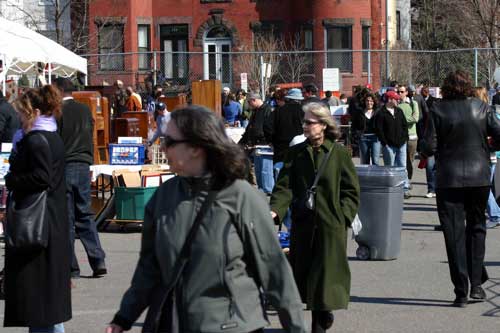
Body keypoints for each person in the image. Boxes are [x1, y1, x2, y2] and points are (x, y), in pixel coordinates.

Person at [106, 105, 306, 333]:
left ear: (195, 147)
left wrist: (296, 327)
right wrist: (123, 318)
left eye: (170, 141)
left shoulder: (241, 197)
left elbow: (275, 272)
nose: (163, 146)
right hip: (172, 323)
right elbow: (148, 269)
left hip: (231, 325)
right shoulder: (163, 197)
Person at [270, 102, 360, 332]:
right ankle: (323, 312)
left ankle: (319, 321)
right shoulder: (296, 152)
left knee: (325, 277)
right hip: (303, 225)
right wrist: (276, 210)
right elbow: (284, 187)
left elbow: (351, 190)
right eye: (304, 122)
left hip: (331, 226)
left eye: (309, 122)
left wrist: (344, 217)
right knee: (307, 275)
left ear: (323, 125)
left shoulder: (339, 154)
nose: (305, 126)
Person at [421, 70, 500, 307]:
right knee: (477, 229)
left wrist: (430, 150)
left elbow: (429, 145)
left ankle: (460, 291)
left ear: (446, 87)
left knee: (453, 234)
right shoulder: (481, 107)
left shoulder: (438, 109)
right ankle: (476, 285)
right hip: (479, 176)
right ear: (468, 86)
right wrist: (487, 148)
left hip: (449, 178)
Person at [4, 85, 71, 332]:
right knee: (45, 300)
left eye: (22, 113)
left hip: (38, 223)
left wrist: (12, 180)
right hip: (51, 221)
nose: (19, 118)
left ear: (32, 112)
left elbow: (41, 178)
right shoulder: (51, 136)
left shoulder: (36, 140)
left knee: (39, 297)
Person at [54, 78, 107, 279]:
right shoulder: (85, 110)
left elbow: (55, 140)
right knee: (85, 212)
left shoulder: (57, 112)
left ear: (59, 91)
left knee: (67, 217)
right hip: (83, 163)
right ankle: (98, 259)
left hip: (65, 165)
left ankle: (71, 266)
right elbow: (90, 132)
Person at [375, 90, 410, 197]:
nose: (398, 101)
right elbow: (379, 129)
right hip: (389, 145)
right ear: (390, 99)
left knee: (402, 167)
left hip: (401, 144)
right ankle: (391, 188)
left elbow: (404, 126)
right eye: (396, 99)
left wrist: (405, 138)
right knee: (390, 168)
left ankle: (405, 188)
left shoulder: (399, 111)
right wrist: (385, 143)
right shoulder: (381, 113)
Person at [397, 84, 419, 194]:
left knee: (409, 161)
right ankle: (404, 183)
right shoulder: (396, 104)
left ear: (406, 92)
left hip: (411, 136)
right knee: (401, 162)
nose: (399, 94)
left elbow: (415, 118)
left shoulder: (412, 103)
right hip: (400, 137)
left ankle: (408, 179)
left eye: (401, 92)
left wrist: (401, 120)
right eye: (398, 92)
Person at [350, 93, 380, 165]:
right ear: (364, 102)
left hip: (375, 138)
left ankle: (375, 176)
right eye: (367, 101)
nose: (369, 102)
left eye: (371, 101)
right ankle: (366, 176)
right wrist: (356, 135)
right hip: (363, 138)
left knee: (375, 160)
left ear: (374, 102)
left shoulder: (378, 111)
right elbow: (354, 125)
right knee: (365, 161)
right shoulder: (359, 112)